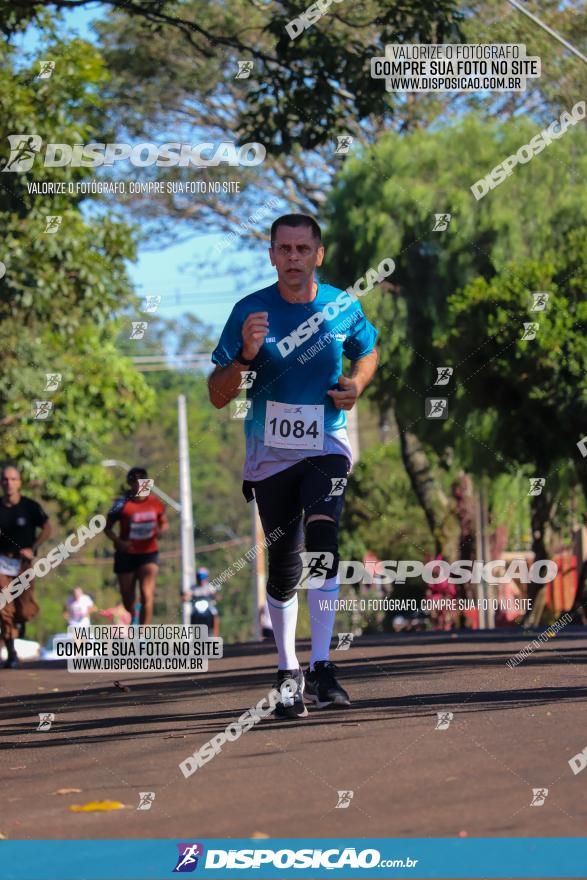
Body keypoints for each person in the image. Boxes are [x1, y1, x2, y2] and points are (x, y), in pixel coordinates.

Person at [208, 213, 378, 718]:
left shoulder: (342, 306)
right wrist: (244, 355)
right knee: (284, 563)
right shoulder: (249, 311)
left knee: (324, 539)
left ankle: (323, 666)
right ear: (272, 255)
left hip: (326, 444)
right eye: (284, 249)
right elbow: (218, 396)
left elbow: (367, 352)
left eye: (303, 249)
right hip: (269, 456)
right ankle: (287, 671)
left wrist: (357, 386)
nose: (294, 258)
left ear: (318, 255)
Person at [0, 464, 52, 668]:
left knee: (24, 610)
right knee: (5, 609)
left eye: (13, 479)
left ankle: (18, 624)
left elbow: (47, 528)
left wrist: (33, 547)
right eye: (5, 479)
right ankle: (12, 652)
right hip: (1, 562)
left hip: (23, 564)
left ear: (19, 482)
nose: (9, 483)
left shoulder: (30, 506)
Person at [104, 466, 168, 624]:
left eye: (144, 481)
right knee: (128, 599)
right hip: (126, 554)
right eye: (137, 482)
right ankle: (133, 616)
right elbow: (107, 528)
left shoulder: (154, 502)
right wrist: (119, 542)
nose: (141, 485)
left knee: (147, 595)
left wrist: (161, 531)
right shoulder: (121, 504)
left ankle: (144, 633)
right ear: (131, 484)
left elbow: (163, 522)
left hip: (148, 554)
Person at [183, 566, 220, 636]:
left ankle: (215, 637)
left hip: (208, 608)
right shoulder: (193, 588)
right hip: (196, 609)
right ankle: (193, 635)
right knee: (191, 615)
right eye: (200, 577)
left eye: (203, 577)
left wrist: (216, 596)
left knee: (215, 615)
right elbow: (187, 595)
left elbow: (215, 594)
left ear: (206, 577)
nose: (201, 579)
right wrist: (186, 597)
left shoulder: (209, 587)